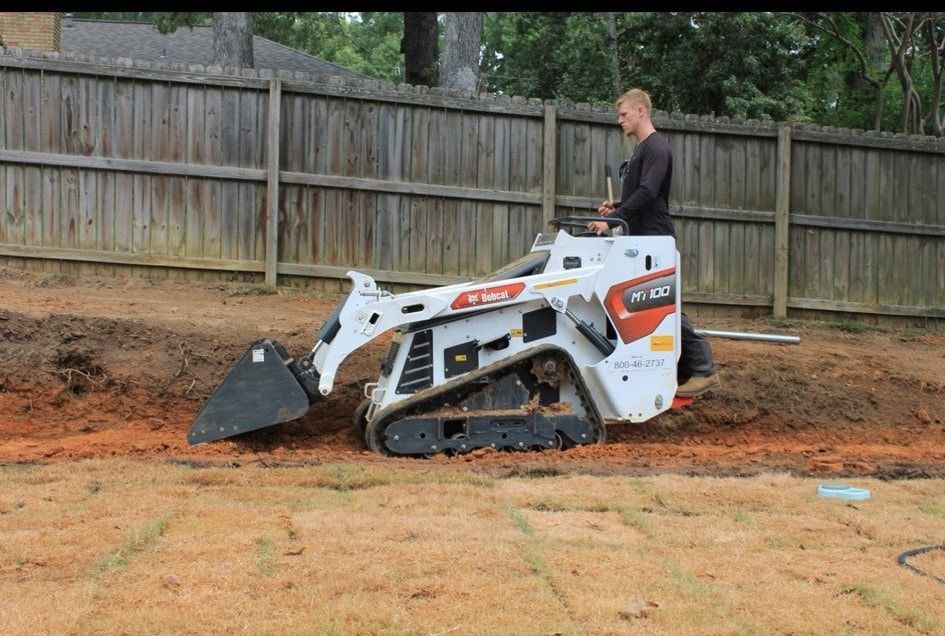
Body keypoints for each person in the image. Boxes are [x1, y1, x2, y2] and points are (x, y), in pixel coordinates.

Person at [588, 88, 720, 398]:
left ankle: (703, 369)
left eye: (624, 114)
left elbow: (649, 193)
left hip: (655, 237)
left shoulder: (656, 148)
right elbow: (643, 195)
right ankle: (676, 370)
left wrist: (613, 218)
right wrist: (617, 207)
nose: (620, 120)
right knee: (641, 305)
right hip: (641, 236)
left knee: (663, 304)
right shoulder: (640, 152)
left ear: (641, 112)